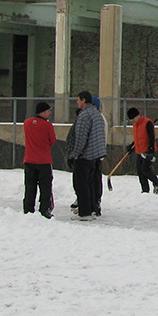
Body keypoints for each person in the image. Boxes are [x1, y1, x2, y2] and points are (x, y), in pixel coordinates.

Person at [66, 91, 108, 220]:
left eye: (78, 99)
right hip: (96, 154)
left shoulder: (84, 115)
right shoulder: (97, 115)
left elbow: (81, 137)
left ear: (84, 100)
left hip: (85, 155)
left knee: (81, 184)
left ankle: (84, 212)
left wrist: (76, 153)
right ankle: (91, 209)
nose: (77, 102)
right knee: (90, 183)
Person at [22, 101, 56, 219]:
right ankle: (44, 209)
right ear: (43, 111)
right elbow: (52, 141)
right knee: (45, 186)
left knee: (30, 186)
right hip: (44, 161)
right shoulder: (47, 125)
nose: (50, 113)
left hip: (29, 160)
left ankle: (28, 208)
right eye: (48, 111)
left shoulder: (27, 123)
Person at [126, 107, 158, 194]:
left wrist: (151, 151)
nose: (132, 121)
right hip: (139, 151)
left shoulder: (147, 123)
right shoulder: (135, 125)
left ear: (137, 116)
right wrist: (131, 147)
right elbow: (138, 139)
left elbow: (151, 137)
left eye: (133, 119)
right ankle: (145, 191)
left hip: (147, 151)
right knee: (140, 172)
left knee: (145, 169)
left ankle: (157, 182)